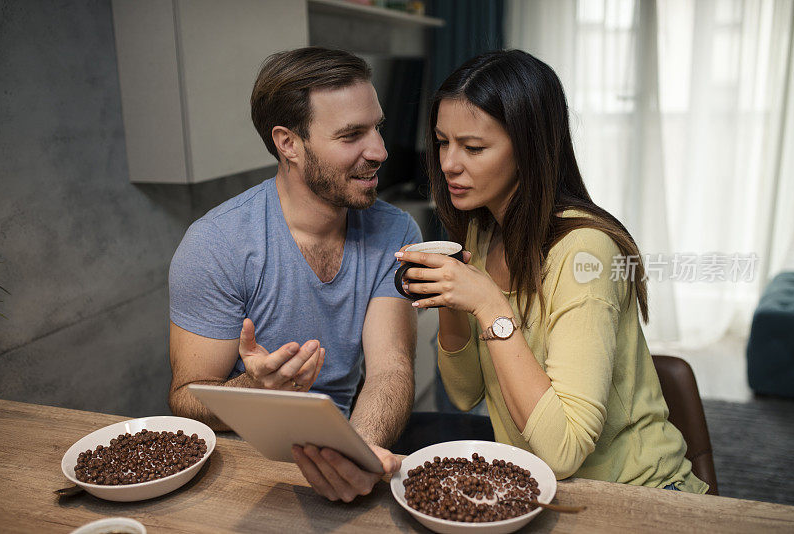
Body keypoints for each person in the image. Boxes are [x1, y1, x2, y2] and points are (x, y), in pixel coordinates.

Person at [395, 49, 708, 493]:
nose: (448, 163)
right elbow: (465, 394)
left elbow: (562, 452)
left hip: (636, 495)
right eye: (443, 141)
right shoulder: (484, 234)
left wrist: (488, 304)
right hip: (541, 487)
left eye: (474, 147)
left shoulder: (585, 255)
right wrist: (448, 292)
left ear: (528, 149)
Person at [168, 47, 422, 502]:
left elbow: (390, 369)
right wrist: (253, 389)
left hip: (346, 450)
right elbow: (185, 396)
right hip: (239, 474)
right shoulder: (216, 244)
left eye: (377, 127)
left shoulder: (396, 232)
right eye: (351, 135)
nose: (380, 151)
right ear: (288, 143)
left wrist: (357, 454)